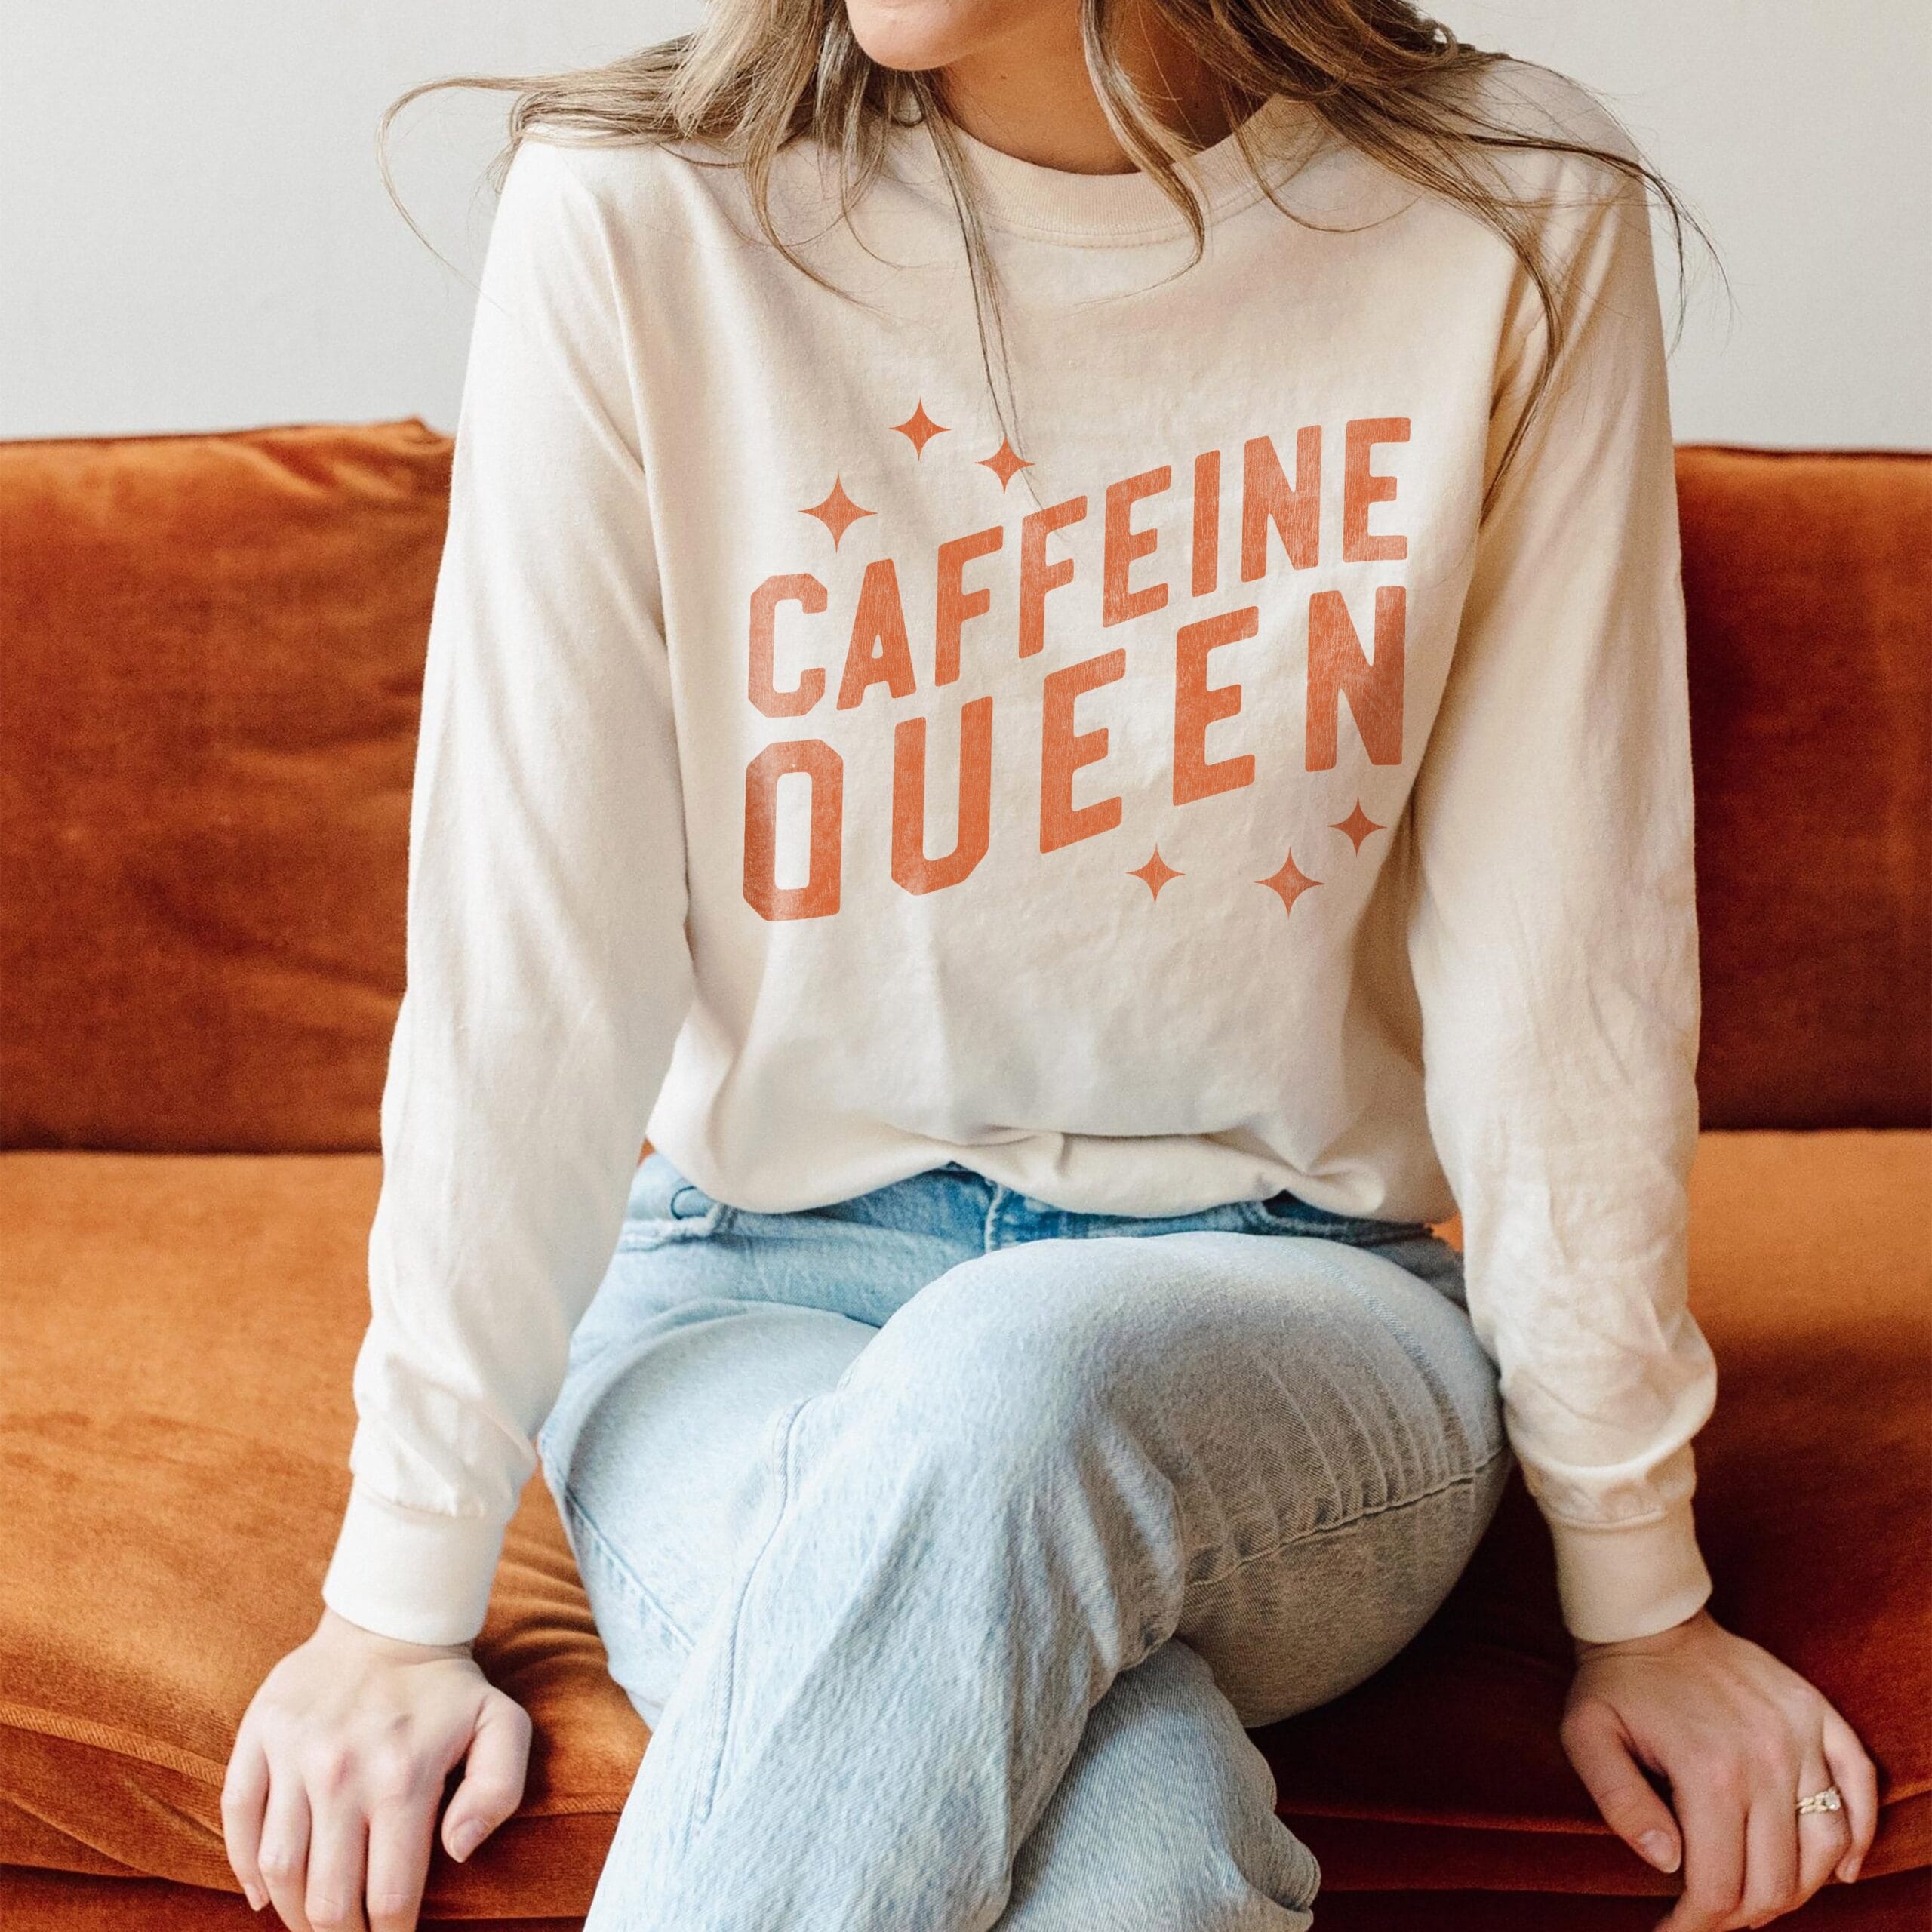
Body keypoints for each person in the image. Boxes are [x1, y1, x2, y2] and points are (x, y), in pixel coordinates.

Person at [221, 3, 1880, 1928]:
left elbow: (1560, 962)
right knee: (1136, 1838)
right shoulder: (640, 216)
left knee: (1008, 1369)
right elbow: (528, 970)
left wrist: (1635, 1583)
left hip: (1292, 1312)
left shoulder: (1503, 214)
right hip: (737, 1304)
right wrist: (396, 1598)